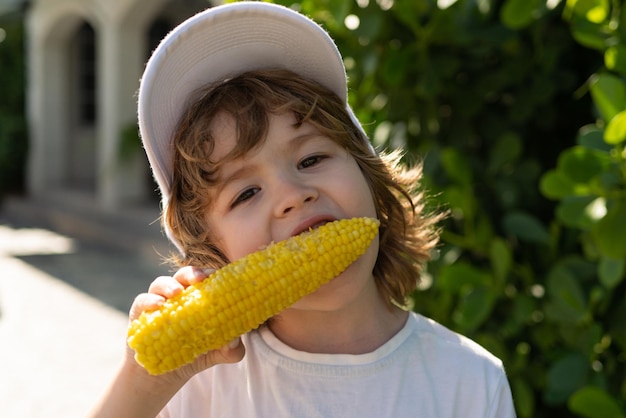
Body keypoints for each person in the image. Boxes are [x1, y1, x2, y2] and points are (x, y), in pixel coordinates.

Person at [89, 2, 516, 417]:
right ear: (211, 253)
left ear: (369, 175)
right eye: (246, 193)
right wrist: (143, 384)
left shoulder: (470, 381)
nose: (292, 195)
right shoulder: (195, 386)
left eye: (311, 159)